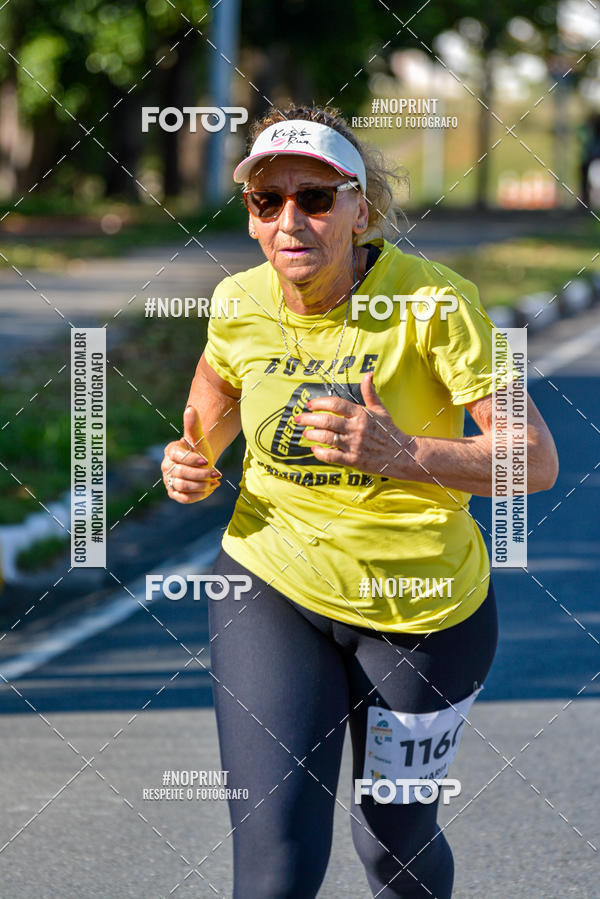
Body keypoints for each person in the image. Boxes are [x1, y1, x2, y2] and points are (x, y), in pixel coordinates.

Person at [161, 104, 559, 898]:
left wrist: (402, 452)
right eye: (267, 201)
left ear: (361, 209)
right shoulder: (240, 301)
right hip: (272, 583)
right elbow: (217, 393)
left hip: (422, 612)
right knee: (273, 860)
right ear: (249, 216)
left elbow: (536, 460)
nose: (289, 221)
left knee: (393, 845)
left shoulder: (434, 305)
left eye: (316, 197)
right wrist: (194, 456)